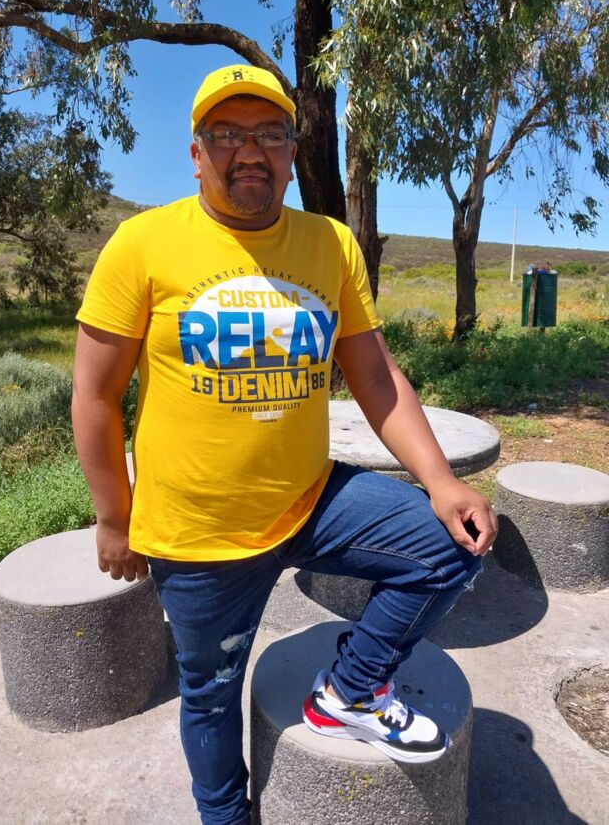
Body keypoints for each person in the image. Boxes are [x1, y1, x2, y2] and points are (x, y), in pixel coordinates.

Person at [72, 64, 497, 825]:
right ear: (196, 154)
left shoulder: (329, 243)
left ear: (292, 153)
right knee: (211, 697)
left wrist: (440, 481)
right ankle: (226, 817)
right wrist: (114, 516)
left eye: (269, 134)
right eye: (227, 134)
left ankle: (351, 690)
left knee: (453, 544)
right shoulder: (142, 244)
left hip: (311, 499)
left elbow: (373, 374)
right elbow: (95, 395)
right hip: (197, 534)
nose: (250, 151)